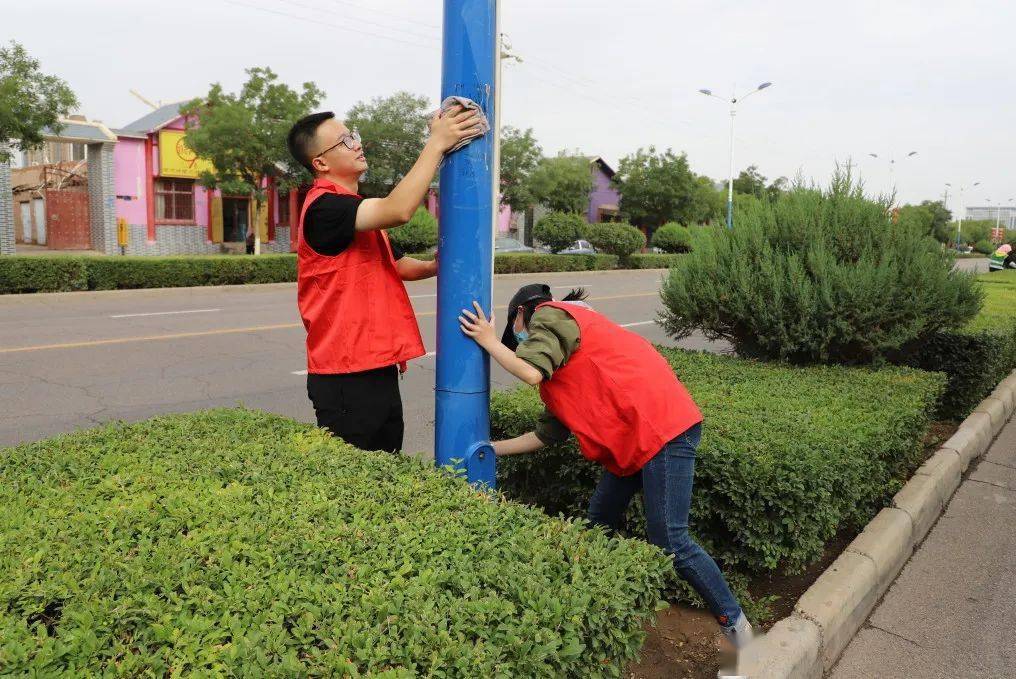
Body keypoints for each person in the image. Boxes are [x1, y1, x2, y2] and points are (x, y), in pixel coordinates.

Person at [457, 284, 754, 654]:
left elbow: (531, 373)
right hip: (636, 442)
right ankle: (603, 607)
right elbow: (545, 435)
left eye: (518, 332)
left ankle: (738, 631)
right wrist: (487, 451)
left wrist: (488, 340)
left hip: (663, 430)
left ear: (522, 313)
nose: (521, 340)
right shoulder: (562, 373)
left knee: (672, 540)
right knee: (599, 519)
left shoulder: (551, 313)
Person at [286, 106, 480, 453]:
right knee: (357, 489)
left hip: (375, 367)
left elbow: (400, 265)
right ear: (320, 163)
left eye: (354, 136)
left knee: (386, 471)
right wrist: (436, 143)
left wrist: (437, 265)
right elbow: (398, 210)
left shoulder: (353, 208)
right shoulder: (325, 209)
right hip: (346, 375)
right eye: (345, 141)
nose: (356, 144)